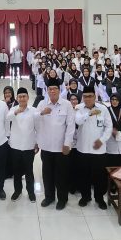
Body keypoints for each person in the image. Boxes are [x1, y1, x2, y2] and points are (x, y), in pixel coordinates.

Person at [36, 77, 76, 210]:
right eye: (50, 89)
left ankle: (62, 199)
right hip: (46, 146)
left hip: (61, 147)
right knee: (47, 174)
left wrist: (67, 143)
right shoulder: (42, 104)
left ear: (59, 90)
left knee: (61, 174)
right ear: (47, 90)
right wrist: (42, 113)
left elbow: (70, 125)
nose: (52, 91)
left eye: (55, 89)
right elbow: (34, 121)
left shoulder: (66, 104)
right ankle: (49, 197)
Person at [74, 85, 112, 209]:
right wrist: (89, 113)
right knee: (83, 175)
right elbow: (78, 121)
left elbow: (109, 126)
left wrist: (102, 140)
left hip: (99, 149)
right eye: (85, 96)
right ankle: (85, 197)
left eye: (90, 96)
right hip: (83, 148)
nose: (87, 99)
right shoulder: (78, 108)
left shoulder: (103, 108)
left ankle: (99, 198)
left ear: (95, 96)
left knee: (99, 176)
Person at [8, 87, 38, 202]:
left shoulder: (33, 110)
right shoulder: (13, 109)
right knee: (16, 171)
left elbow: (38, 127)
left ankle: (31, 192)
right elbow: (7, 118)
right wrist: (16, 112)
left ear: (28, 97)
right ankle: (17, 191)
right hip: (15, 146)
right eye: (20, 97)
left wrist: (37, 143)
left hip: (29, 146)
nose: (22, 98)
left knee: (29, 171)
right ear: (17, 98)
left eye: (24, 96)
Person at [106, 94, 121, 170]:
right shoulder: (106, 111)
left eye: (116, 100)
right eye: (113, 99)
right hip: (110, 142)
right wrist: (111, 129)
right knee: (111, 167)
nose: (114, 101)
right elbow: (102, 125)